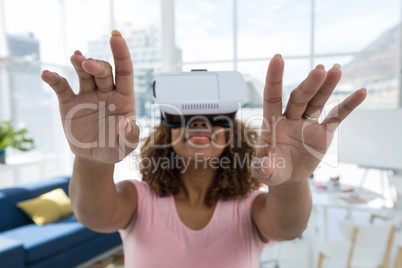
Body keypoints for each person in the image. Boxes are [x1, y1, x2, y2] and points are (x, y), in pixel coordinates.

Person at [41, 30, 366, 268]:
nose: (199, 124)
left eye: (215, 117)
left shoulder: (250, 208)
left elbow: (288, 226)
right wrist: (89, 158)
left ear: (232, 134)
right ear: (166, 132)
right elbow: (94, 216)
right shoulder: (138, 200)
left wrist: (293, 180)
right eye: (184, 116)